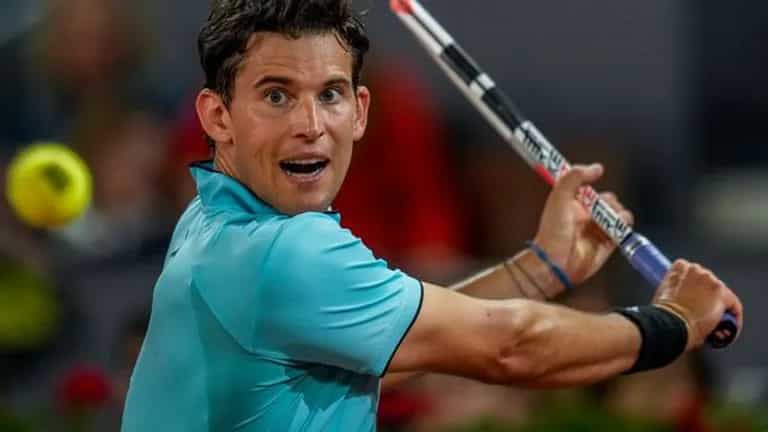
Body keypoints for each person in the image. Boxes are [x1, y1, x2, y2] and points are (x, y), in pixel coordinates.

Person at [121, 1, 743, 431]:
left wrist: (542, 267)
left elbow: (403, 344)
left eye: (330, 94)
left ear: (361, 111)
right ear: (217, 116)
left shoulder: (208, 219)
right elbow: (511, 347)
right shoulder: (285, 253)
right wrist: (673, 323)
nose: (310, 125)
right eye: (276, 95)